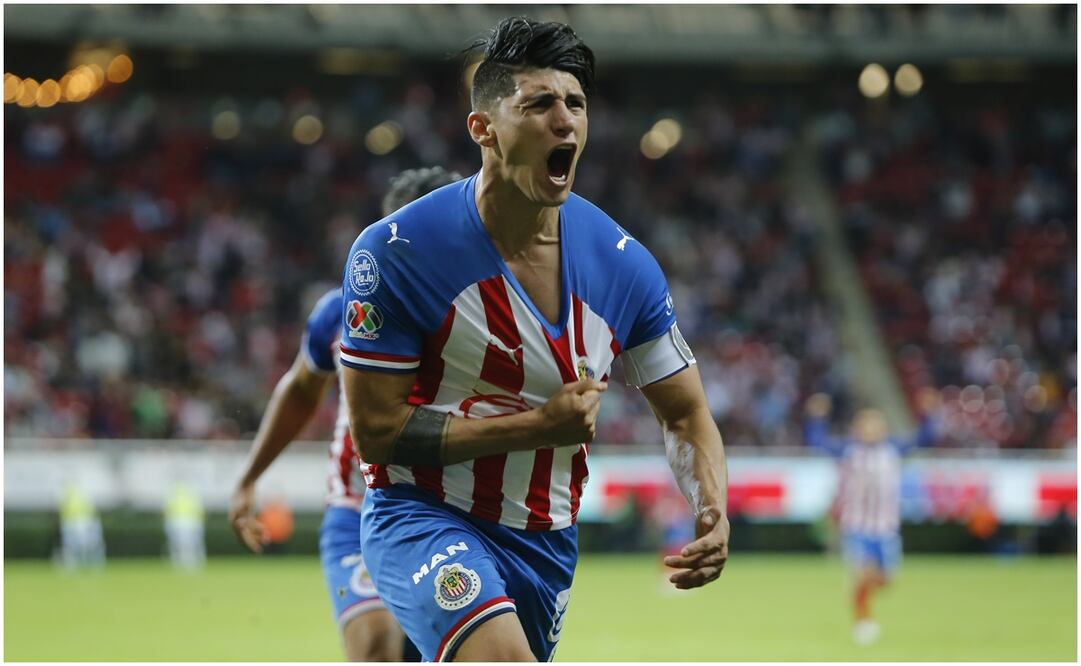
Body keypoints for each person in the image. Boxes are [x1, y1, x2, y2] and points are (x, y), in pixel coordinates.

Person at [339, 17, 730, 662]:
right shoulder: (396, 252)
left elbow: (686, 414)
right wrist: (536, 428)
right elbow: (376, 433)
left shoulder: (624, 267)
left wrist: (711, 504)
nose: (565, 120)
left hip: (545, 539)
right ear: (483, 128)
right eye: (540, 103)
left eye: (576, 103)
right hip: (422, 513)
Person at [229, 167, 462, 662]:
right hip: (360, 507)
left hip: (459, 510)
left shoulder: (485, 314)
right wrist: (250, 477)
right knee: (376, 646)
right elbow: (301, 390)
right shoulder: (345, 312)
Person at [803, 393, 934, 646]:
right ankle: (863, 621)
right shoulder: (848, 451)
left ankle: (860, 598)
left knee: (886, 581)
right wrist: (816, 417)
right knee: (864, 573)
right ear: (857, 429)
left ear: (883, 429)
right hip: (857, 526)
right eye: (866, 425)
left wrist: (929, 414)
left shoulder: (893, 449)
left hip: (886, 528)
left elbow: (924, 439)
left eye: (875, 425)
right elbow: (817, 442)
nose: (871, 430)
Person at [164, 482, 206, 570]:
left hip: (185, 523)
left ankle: (186, 562)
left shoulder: (177, 496)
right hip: (185, 523)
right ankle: (190, 562)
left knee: (184, 545)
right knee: (188, 545)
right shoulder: (192, 496)